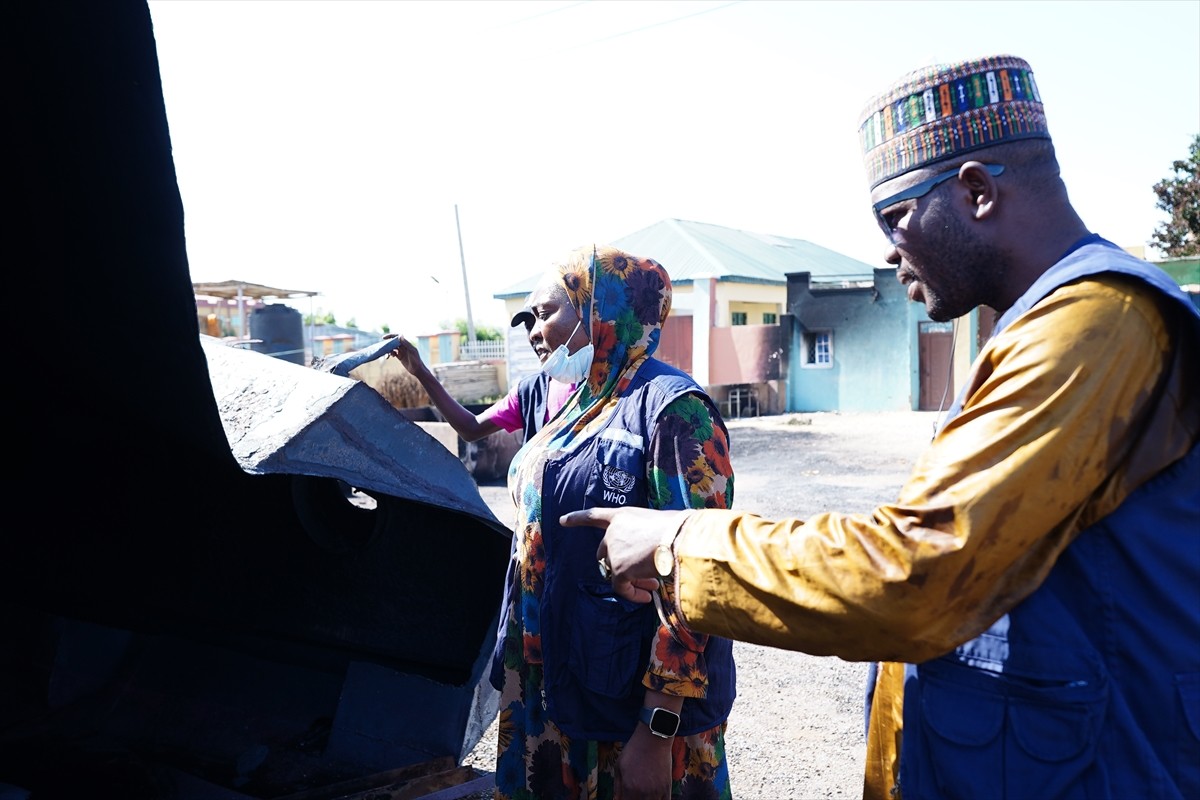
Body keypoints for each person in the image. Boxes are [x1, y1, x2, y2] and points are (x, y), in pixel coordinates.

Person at [563, 54, 1200, 800]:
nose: (892, 252)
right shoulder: (1047, 326)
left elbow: (915, 571)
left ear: (976, 192)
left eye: (895, 219)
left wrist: (678, 542)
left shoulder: (1095, 325)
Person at [491, 245, 737, 800]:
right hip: (554, 682)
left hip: (624, 706)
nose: (535, 329)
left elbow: (697, 576)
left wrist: (657, 730)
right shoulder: (582, 402)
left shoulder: (676, 410)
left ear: (601, 310)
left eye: (549, 311)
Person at [386, 300, 578, 444]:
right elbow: (470, 428)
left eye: (543, 319)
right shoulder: (530, 392)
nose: (534, 334)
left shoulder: (601, 384)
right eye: (528, 325)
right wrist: (420, 371)